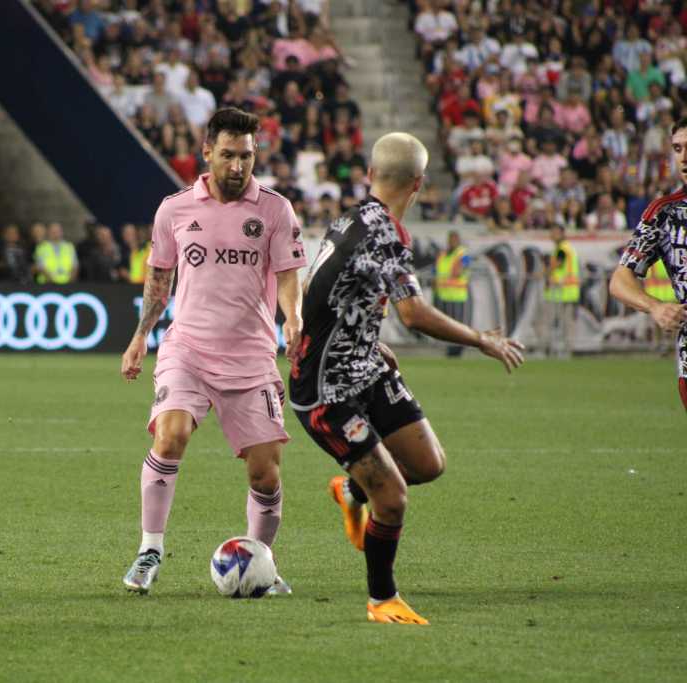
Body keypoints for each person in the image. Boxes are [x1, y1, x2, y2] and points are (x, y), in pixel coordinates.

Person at [289, 132, 524, 625]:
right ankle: (382, 599)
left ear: (371, 174)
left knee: (428, 463)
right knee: (392, 499)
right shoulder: (387, 235)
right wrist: (482, 339)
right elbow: (414, 313)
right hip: (327, 393)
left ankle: (350, 490)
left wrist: (366, 340)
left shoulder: (348, 219)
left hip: (366, 368)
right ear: (419, 183)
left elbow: (323, 291)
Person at [119, 107, 308, 595]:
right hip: (188, 349)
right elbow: (159, 278)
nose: (237, 166)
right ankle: (149, 551)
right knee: (170, 435)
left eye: (246, 156)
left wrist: (294, 317)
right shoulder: (175, 209)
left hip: (251, 356)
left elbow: (288, 275)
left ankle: (259, 562)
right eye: (227, 155)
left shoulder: (275, 209)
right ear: (207, 153)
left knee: (265, 473)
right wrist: (142, 335)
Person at [609, 116, 687, 411]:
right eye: (678, 149)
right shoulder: (664, 214)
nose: (684, 158)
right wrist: (656, 306)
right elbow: (620, 280)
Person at [536, 226, 579, 356]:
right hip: (566, 290)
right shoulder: (565, 248)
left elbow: (557, 265)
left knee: (554, 322)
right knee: (564, 323)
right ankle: (564, 350)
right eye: (551, 232)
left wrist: (542, 273)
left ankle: (550, 349)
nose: (552, 235)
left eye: (555, 233)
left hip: (561, 289)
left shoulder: (562, 249)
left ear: (562, 234)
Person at [434, 230, 471, 357]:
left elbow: (462, 268)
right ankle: (450, 349)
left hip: (458, 296)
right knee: (447, 326)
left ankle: (458, 349)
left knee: (458, 326)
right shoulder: (443, 254)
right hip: (443, 295)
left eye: (454, 239)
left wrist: (458, 271)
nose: (452, 241)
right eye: (450, 239)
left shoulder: (463, 254)